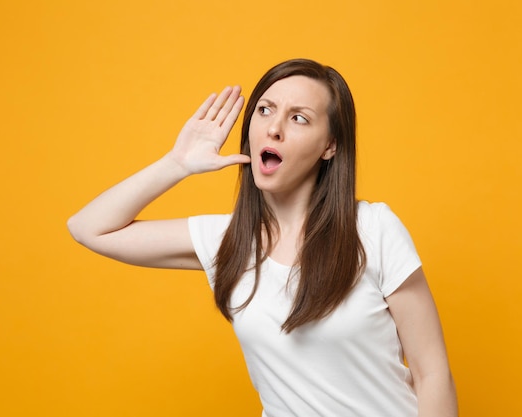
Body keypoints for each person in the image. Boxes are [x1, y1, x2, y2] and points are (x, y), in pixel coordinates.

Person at [67, 58, 458, 417]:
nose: (273, 127)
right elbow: (89, 228)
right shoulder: (229, 241)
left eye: (299, 118)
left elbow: (431, 372)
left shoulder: (372, 229)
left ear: (330, 145)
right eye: (265, 110)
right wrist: (177, 164)